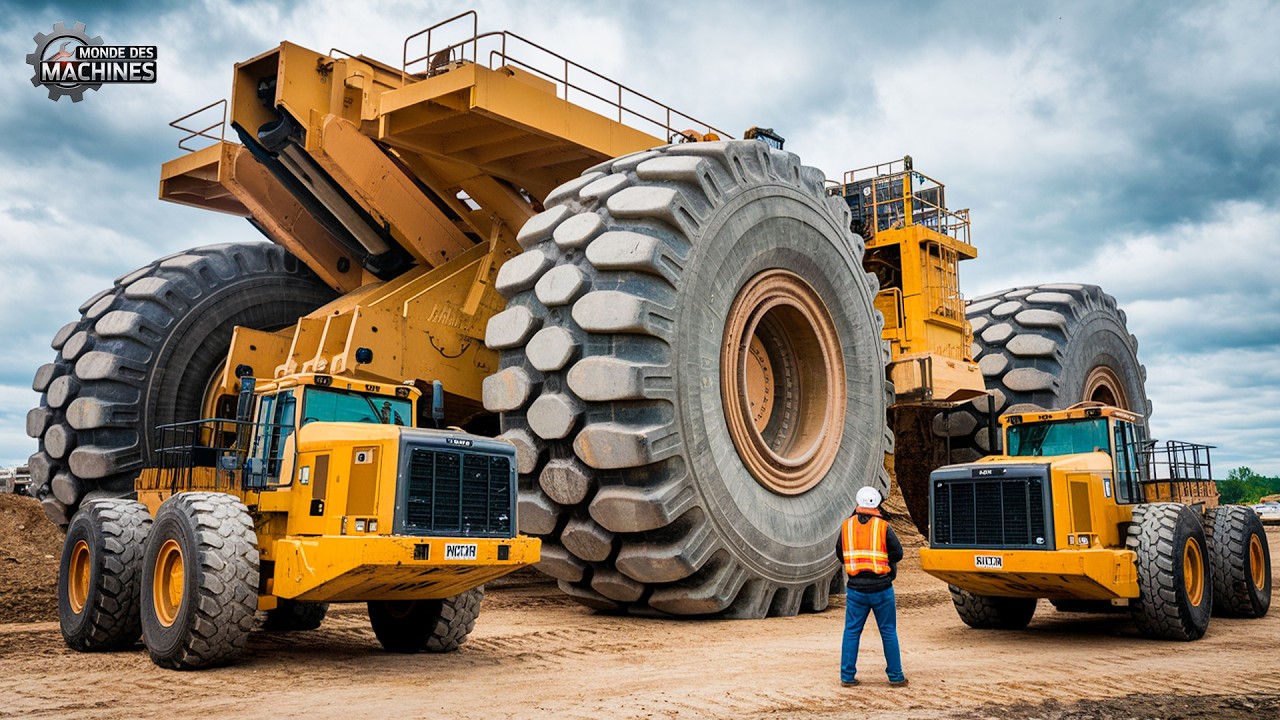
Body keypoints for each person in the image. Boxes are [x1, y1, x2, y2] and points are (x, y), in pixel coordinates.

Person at [837, 486, 906, 688]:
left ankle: (847, 677)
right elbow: (898, 553)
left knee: (851, 631)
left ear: (858, 503)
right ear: (876, 504)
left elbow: (840, 555)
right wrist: (883, 560)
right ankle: (896, 677)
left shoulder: (846, 527)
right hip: (882, 589)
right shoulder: (883, 527)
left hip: (856, 590)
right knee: (888, 631)